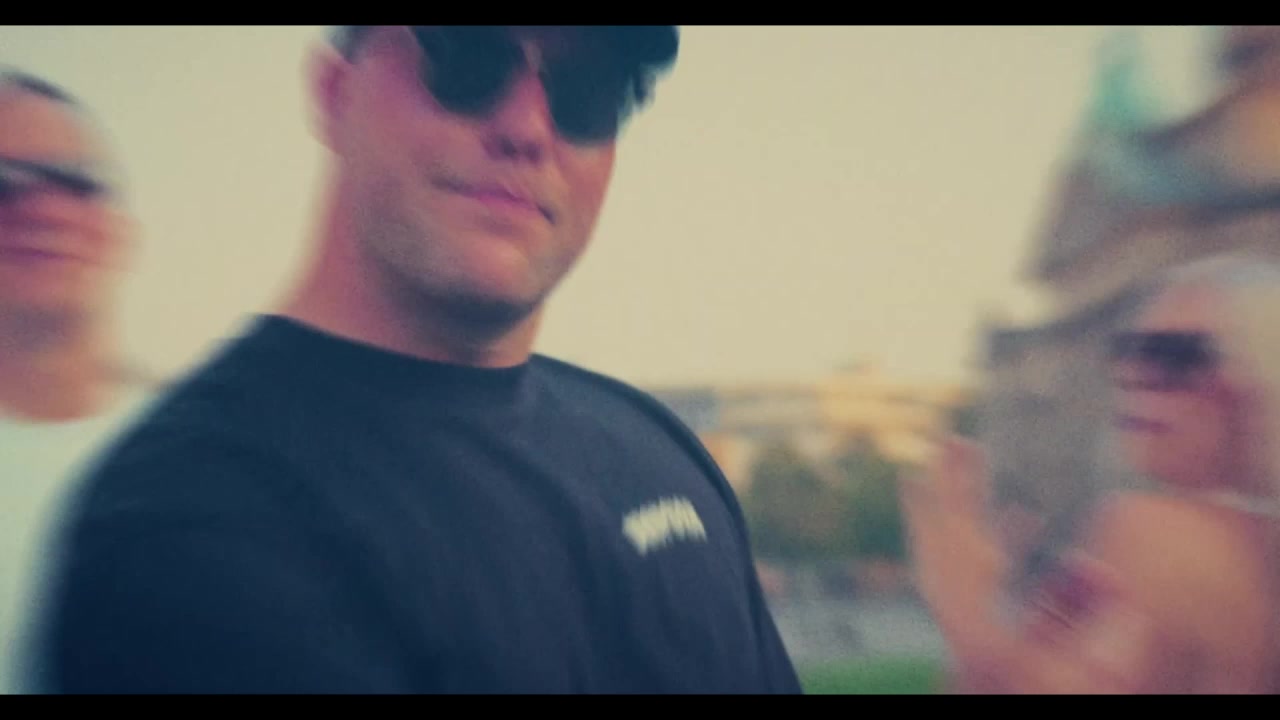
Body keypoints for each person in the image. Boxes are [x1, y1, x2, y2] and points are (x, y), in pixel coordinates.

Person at [37, 26, 802, 694]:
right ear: (333, 92)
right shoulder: (191, 518)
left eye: (589, 92)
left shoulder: (659, 456)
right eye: (468, 58)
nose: (528, 128)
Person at [902, 252, 1280, 693]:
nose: (1133, 373)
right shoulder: (1255, 545)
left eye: (1176, 355)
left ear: (1258, 372)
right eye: (1127, 349)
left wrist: (974, 625)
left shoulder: (1155, 530)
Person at [0, 69, 153, 694]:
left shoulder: (230, 450)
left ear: (121, 229)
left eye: (80, 183)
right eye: (3, 185)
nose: (44, 209)